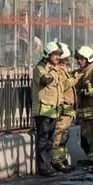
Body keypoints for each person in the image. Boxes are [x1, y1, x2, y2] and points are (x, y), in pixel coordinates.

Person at [32, 41, 66, 176]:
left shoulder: (56, 68)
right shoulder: (40, 68)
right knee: (43, 138)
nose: (58, 58)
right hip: (43, 110)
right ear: (47, 55)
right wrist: (54, 72)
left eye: (59, 55)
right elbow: (45, 80)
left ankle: (48, 165)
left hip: (53, 110)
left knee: (50, 139)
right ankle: (43, 167)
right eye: (55, 55)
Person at [51, 43, 76, 173]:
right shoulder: (58, 71)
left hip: (68, 110)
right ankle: (56, 161)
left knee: (64, 136)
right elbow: (61, 86)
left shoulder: (63, 70)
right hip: (64, 108)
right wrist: (73, 80)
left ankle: (61, 159)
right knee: (58, 136)